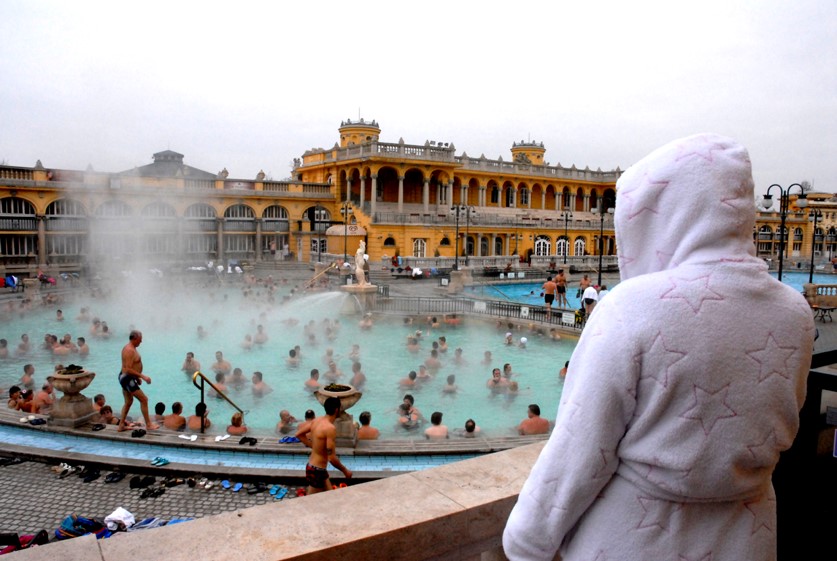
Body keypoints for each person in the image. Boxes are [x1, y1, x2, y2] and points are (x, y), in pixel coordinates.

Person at [503, 134, 817, 561]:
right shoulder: (794, 311)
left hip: (637, 538)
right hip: (748, 533)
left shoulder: (631, 308)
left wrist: (525, 542)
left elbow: (579, 454)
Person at [295, 396, 353, 494]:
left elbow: (298, 434)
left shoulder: (317, 420)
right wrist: (345, 471)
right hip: (318, 471)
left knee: (329, 496)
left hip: (313, 467)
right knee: (313, 500)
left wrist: (314, 446)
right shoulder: (330, 428)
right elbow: (332, 458)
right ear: (337, 410)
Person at [117, 330, 158, 432]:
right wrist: (143, 377)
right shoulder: (129, 350)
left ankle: (121, 425)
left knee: (128, 402)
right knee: (144, 399)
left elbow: (131, 367)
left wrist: (136, 378)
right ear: (135, 338)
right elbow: (127, 369)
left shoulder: (131, 348)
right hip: (127, 378)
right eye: (140, 339)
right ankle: (149, 424)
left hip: (127, 378)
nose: (141, 341)